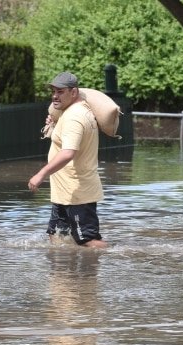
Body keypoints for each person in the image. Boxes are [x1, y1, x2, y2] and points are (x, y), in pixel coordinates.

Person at [28, 72, 107, 249]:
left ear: (73, 92)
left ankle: (125, 256)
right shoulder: (74, 111)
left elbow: (67, 153)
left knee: (87, 241)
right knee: (57, 236)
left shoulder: (74, 117)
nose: (55, 96)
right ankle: (64, 276)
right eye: (54, 91)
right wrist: (54, 125)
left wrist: (41, 175)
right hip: (64, 192)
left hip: (77, 193)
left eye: (60, 92)